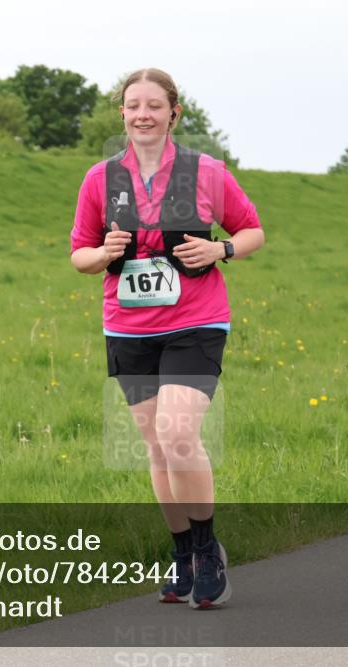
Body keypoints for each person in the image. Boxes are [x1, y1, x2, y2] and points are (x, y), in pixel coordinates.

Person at [69, 68, 264, 609]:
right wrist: (104, 254)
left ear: (173, 113)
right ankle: (182, 552)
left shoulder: (207, 172)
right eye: (133, 105)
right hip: (128, 328)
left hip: (196, 321)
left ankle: (206, 549)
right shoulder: (100, 179)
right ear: (122, 113)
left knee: (178, 434)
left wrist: (221, 249)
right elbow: (80, 254)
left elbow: (252, 230)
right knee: (157, 447)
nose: (143, 115)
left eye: (154, 105)